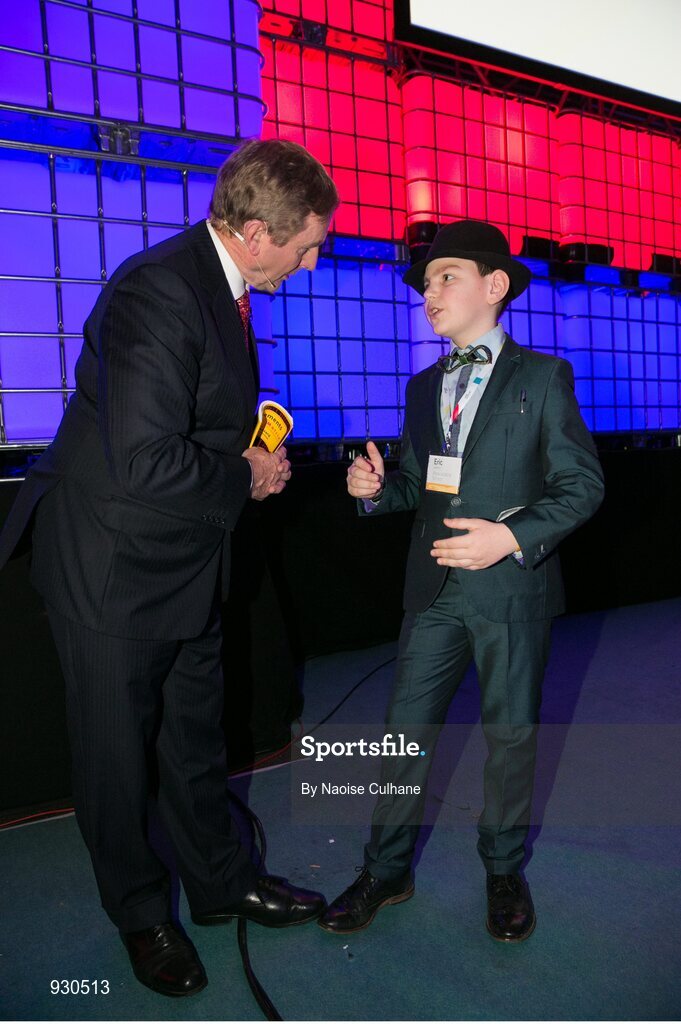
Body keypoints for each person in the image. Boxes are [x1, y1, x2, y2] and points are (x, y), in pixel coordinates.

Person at [0, 139, 339, 996]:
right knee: (116, 761)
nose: (309, 262)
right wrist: (247, 471)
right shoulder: (158, 289)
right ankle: (142, 915)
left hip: (183, 560)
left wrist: (238, 437)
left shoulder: (216, 284)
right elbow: (144, 460)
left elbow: (183, 417)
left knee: (193, 741)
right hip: (111, 567)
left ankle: (222, 885)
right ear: (258, 233)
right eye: (306, 247)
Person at [319, 220, 604, 943]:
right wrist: (375, 490)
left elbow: (581, 486)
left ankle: (503, 871)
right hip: (432, 596)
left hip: (511, 591)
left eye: (445, 276)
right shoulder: (423, 387)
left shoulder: (543, 378)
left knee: (509, 739)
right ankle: (385, 870)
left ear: (494, 285)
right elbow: (419, 481)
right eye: (425, 284)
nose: (428, 294)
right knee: (402, 736)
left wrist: (508, 537)